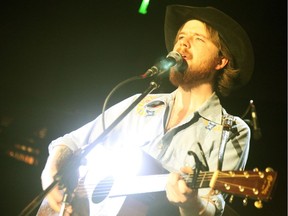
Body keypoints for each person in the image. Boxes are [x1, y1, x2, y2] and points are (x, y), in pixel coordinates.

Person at [39, 4, 254, 216]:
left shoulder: (231, 130)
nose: (183, 44)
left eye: (198, 39)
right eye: (180, 37)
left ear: (221, 60)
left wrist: (190, 203)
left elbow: (211, 206)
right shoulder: (141, 104)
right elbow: (72, 142)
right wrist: (50, 174)